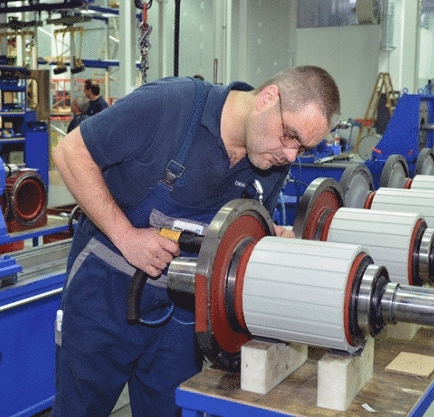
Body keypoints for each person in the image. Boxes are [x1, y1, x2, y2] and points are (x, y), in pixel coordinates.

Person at [51, 65, 340, 417]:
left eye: (303, 147)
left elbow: (237, 238)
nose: (291, 155)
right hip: (104, 295)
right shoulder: (169, 106)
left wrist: (269, 242)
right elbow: (70, 153)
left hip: (183, 312)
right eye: (290, 136)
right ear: (267, 99)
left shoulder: (271, 165)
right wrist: (126, 237)